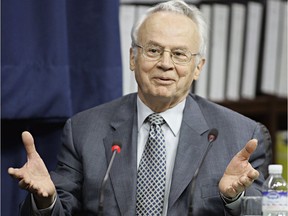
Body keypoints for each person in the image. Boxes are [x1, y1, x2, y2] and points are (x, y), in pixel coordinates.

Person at [8, 0, 271, 215]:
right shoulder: (83, 130)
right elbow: (61, 210)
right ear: (133, 58)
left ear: (198, 67)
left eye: (179, 54)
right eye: (154, 50)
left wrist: (235, 200)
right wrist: (46, 201)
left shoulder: (243, 136)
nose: (166, 64)